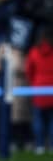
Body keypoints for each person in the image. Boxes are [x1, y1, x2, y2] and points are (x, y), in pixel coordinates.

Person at [25, 26, 53, 155]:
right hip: (51, 88)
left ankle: (40, 146)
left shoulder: (34, 52)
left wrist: (34, 83)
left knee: (38, 120)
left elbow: (29, 70)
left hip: (38, 88)